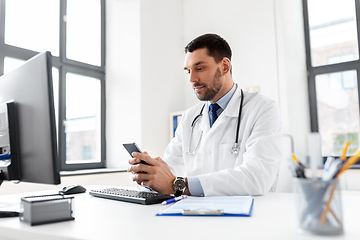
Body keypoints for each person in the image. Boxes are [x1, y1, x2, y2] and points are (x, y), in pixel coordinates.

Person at [128, 33, 282, 197]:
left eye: (199, 68)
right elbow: (170, 168)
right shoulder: (190, 118)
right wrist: (151, 175)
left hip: (246, 217)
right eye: (188, 71)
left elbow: (257, 177)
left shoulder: (263, 108)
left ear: (224, 66)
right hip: (196, 215)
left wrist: (179, 185)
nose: (192, 79)